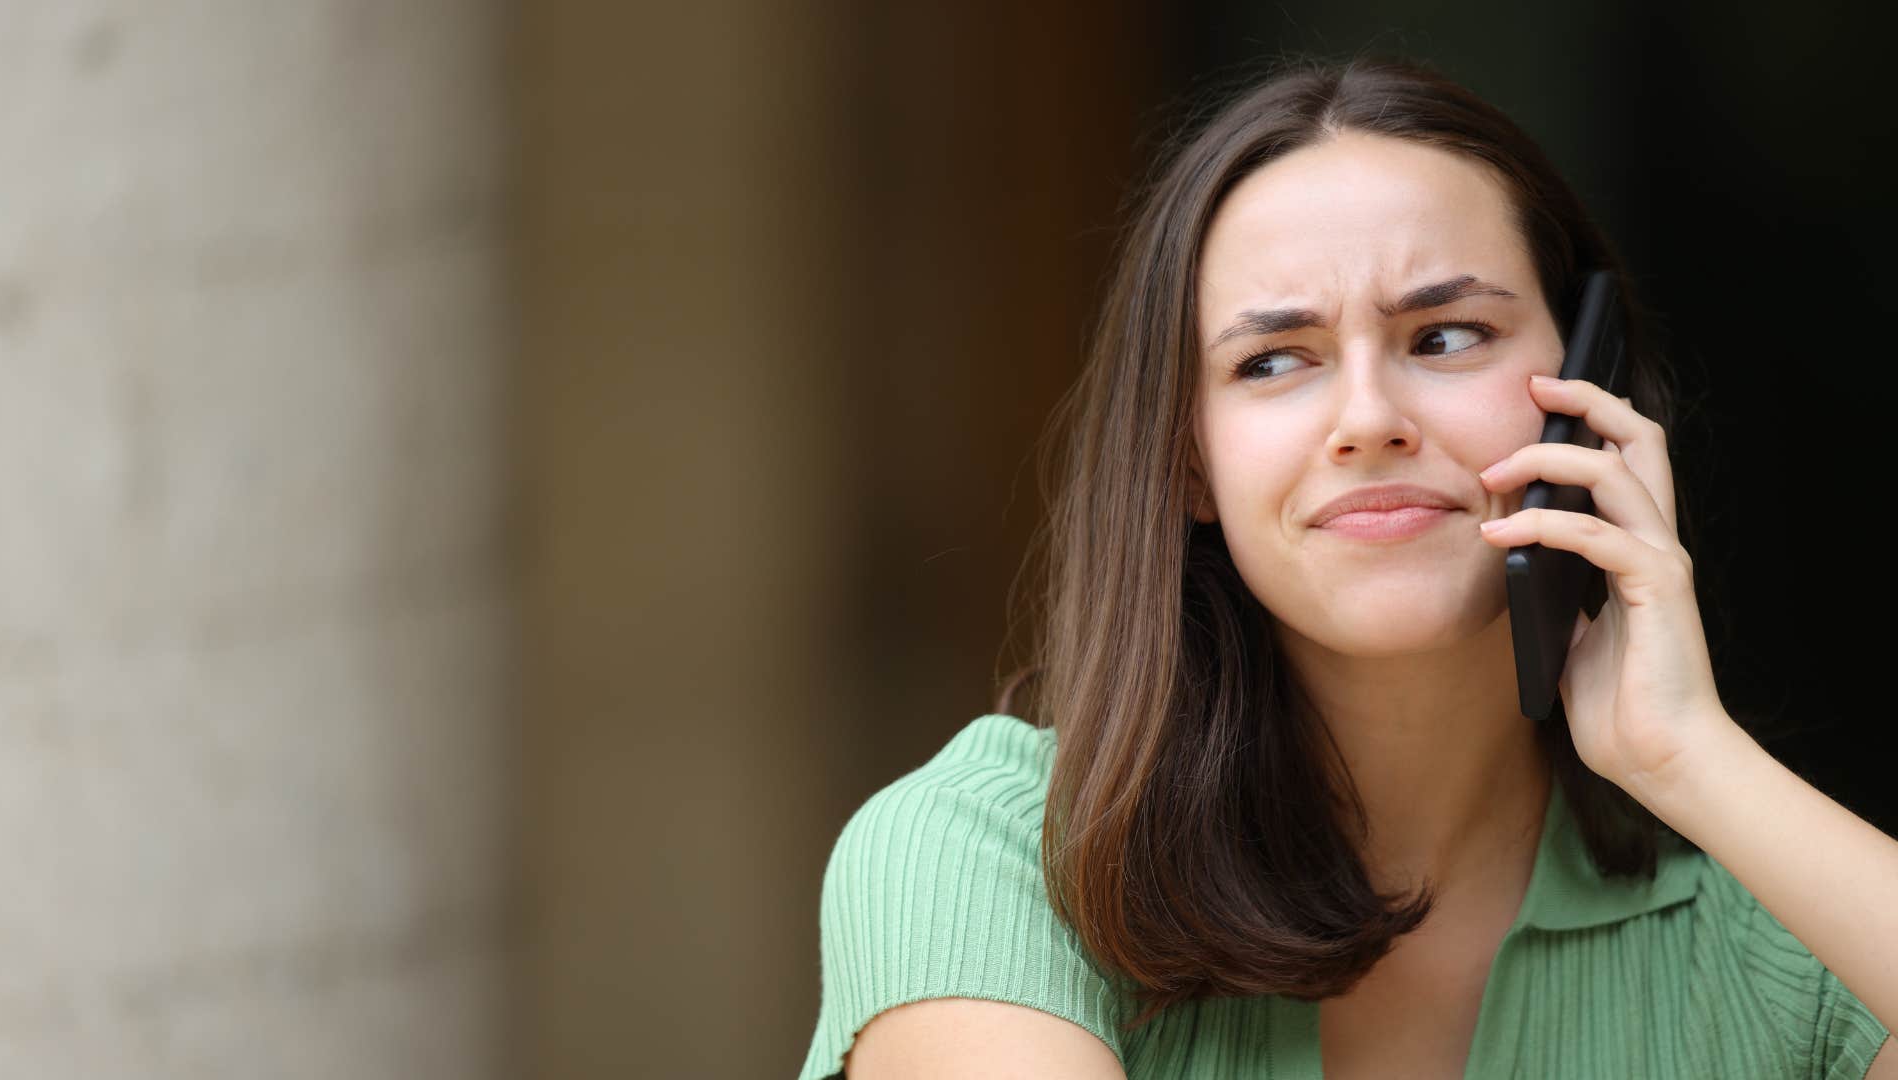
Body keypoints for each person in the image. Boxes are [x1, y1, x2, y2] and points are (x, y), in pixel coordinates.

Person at [797, 51, 1897, 1079]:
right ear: (1187, 462)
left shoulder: (1788, 948)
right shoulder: (995, 859)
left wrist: (1686, 756)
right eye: (1274, 360)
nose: (1368, 420)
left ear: (1589, 387)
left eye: (1446, 336)